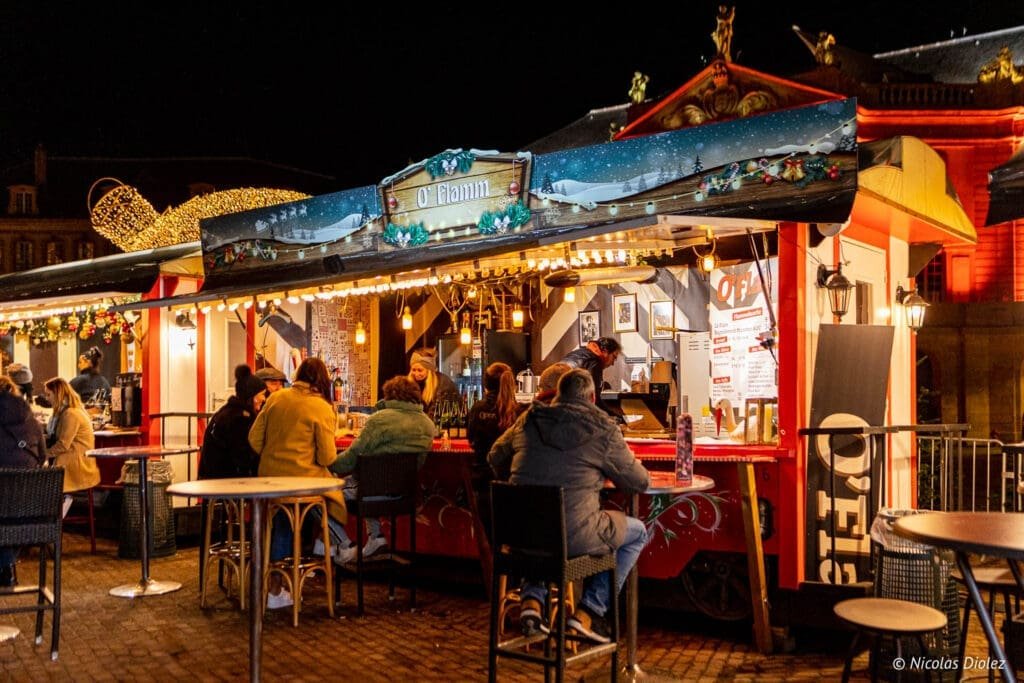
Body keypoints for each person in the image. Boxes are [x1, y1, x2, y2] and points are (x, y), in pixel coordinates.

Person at [488, 369, 650, 643]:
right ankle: (588, 613)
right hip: (572, 537)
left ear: (558, 395)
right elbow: (638, 482)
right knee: (637, 532)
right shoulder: (603, 428)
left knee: (539, 530)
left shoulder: (529, 418)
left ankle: (532, 603)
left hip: (520, 533)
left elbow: (494, 456)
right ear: (591, 397)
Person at [248, 357, 342, 609]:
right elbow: (327, 457)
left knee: (281, 526)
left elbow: (254, 440)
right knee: (331, 503)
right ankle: (329, 551)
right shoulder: (321, 408)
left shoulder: (277, 398)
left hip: (269, 481)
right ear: (322, 380)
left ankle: (276, 587)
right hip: (303, 484)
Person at [328, 376, 435, 563]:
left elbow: (352, 458)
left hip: (369, 493)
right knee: (375, 481)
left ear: (389, 395)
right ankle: (376, 537)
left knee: (322, 496)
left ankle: (343, 544)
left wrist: (330, 463)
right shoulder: (427, 424)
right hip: (403, 495)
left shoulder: (379, 421)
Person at [466, 362, 526, 546]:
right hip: (510, 480)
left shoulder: (477, 408)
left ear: (485, 384)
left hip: (482, 478)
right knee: (511, 535)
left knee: (488, 536)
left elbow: (470, 438)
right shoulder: (519, 411)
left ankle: (491, 569)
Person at [0, 375, 47, 587]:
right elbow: (43, 458)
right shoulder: (32, 421)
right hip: (32, 512)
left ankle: (5, 564)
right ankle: (6, 564)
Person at [43, 378, 101, 517]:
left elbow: (63, 444)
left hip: (76, 466)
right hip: (79, 462)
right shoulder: (71, 411)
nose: (47, 398)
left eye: (48, 395)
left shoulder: (70, 414)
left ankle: (52, 520)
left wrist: (43, 454)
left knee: (39, 480)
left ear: (58, 395)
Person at [199, 365, 266, 479]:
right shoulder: (240, 419)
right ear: (253, 396)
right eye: (262, 394)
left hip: (211, 478)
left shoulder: (227, 412)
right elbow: (242, 458)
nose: (264, 399)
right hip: (225, 484)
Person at [560, 337, 622, 419]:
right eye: (614, 357)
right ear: (605, 352)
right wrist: (616, 417)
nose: (613, 363)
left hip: (558, 406)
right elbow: (594, 400)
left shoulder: (576, 353)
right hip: (573, 412)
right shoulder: (594, 363)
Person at [407, 349, 460, 420]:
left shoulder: (443, 385)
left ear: (429, 370)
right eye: (413, 370)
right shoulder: (409, 384)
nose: (416, 374)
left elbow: (435, 414)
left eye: (420, 370)